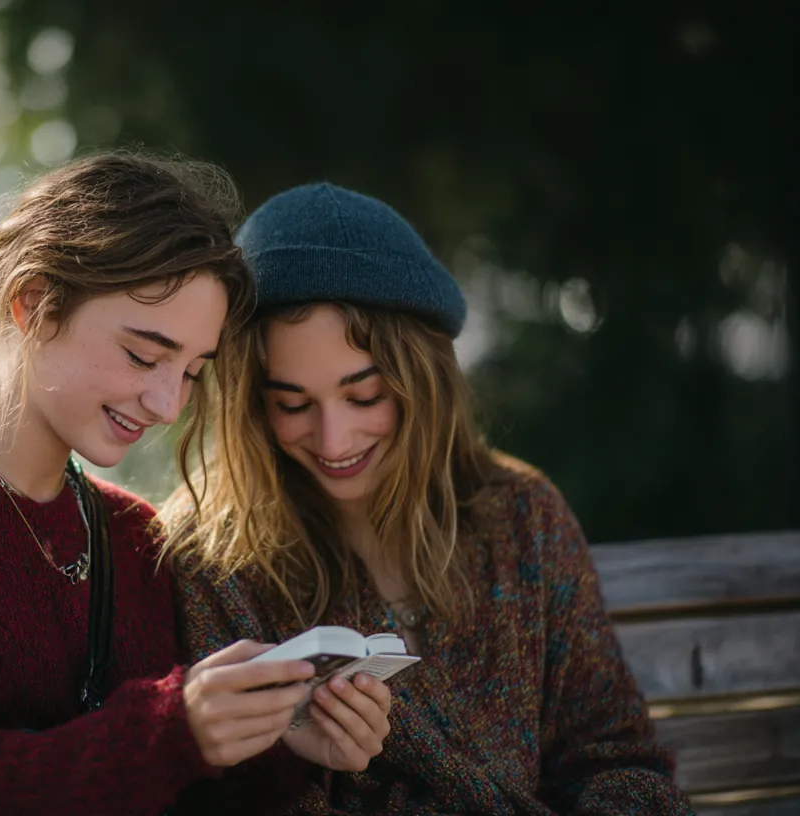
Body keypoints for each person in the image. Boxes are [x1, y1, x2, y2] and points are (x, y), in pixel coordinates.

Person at [0, 156, 391, 816]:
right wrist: (170, 731)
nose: (165, 403)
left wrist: (281, 740)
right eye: (143, 355)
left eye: (191, 371)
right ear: (35, 303)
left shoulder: (128, 534)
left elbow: (161, 780)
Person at [161, 182, 696, 815]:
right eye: (292, 404)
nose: (334, 439)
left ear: (424, 379)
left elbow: (615, 758)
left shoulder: (522, 517)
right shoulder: (213, 561)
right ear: (250, 406)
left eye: (365, 396)